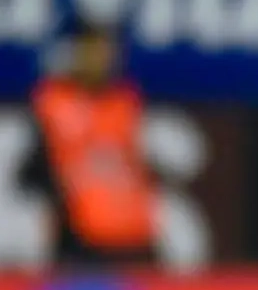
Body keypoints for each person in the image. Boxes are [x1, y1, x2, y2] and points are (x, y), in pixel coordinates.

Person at [21, 17, 159, 269]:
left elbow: (140, 166)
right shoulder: (53, 102)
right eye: (92, 49)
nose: (101, 58)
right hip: (81, 242)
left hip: (135, 238)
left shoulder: (126, 102)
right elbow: (29, 174)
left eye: (107, 49)